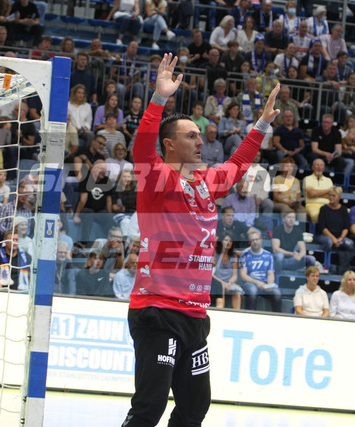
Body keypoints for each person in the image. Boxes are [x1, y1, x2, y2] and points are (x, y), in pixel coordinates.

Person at [121, 54, 281, 426]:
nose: (199, 141)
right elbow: (142, 149)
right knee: (149, 408)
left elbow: (237, 165)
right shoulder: (158, 178)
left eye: (199, 135)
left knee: (195, 408)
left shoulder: (207, 181)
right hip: (158, 310)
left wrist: (261, 124)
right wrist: (158, 99)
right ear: (169, 144)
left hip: (195, 315)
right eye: (190, 135)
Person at [239, 228, 281, 312]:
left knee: (277, 292)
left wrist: (269, 285)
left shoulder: (268, 255)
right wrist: (257, 283)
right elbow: (243, 276)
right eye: (252, 240)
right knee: (252, 290)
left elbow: (270, 274)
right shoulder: (244, 254)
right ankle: (250, 315)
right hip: (250, 283)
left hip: (264, 284)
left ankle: (278, 317)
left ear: (261, 240)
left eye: (257, 239)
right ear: (249, 242)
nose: (255, 242)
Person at [316, 186, 355, 273]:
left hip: (339, 237)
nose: (331, 197)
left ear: (339, 197)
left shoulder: (344, 210)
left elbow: (346, 228)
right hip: (325, 236)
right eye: (330, 195)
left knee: (350, 244)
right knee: (328, 242)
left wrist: (341, 238)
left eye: (333, 195)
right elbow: (322, 228)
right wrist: (333, 239)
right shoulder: (323, 209)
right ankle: (326, 265)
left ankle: (342, 268)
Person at [211, 232, 243, 309]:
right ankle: (220, 309)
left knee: (237, 290)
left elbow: (235, 276)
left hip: (228, 282)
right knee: (221, 287)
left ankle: (237, 312)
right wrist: (223, 283)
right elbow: (211, 274)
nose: (228, 242)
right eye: (226, 240)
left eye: (230, 241)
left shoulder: (233, 256)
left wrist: (229, 283)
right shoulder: (214, 254)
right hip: (216, 281)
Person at [304, 158, 332, 223]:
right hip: (312, 205)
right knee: (315, 215)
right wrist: (328, 190)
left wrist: (316, 193)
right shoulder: (307, 179)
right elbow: (311, 194)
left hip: (327, 205)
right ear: (312, 167)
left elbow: (331, 196)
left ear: (324, 168)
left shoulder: (329, 180)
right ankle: (317, 229)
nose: (319, 167)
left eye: (321, 165)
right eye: (317, 165)